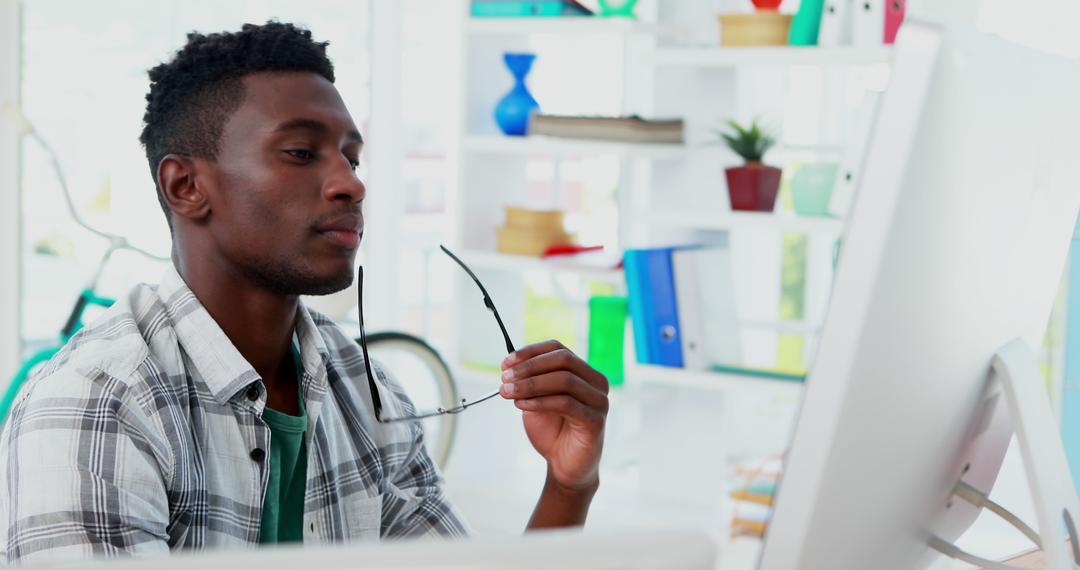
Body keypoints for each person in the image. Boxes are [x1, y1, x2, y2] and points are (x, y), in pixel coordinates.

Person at [0, 21, 609, 563]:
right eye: (300, 153)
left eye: (352, 158)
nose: (350, 184)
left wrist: (568, 483)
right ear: (186, 186)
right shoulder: (99, 404)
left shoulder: (366, 393)